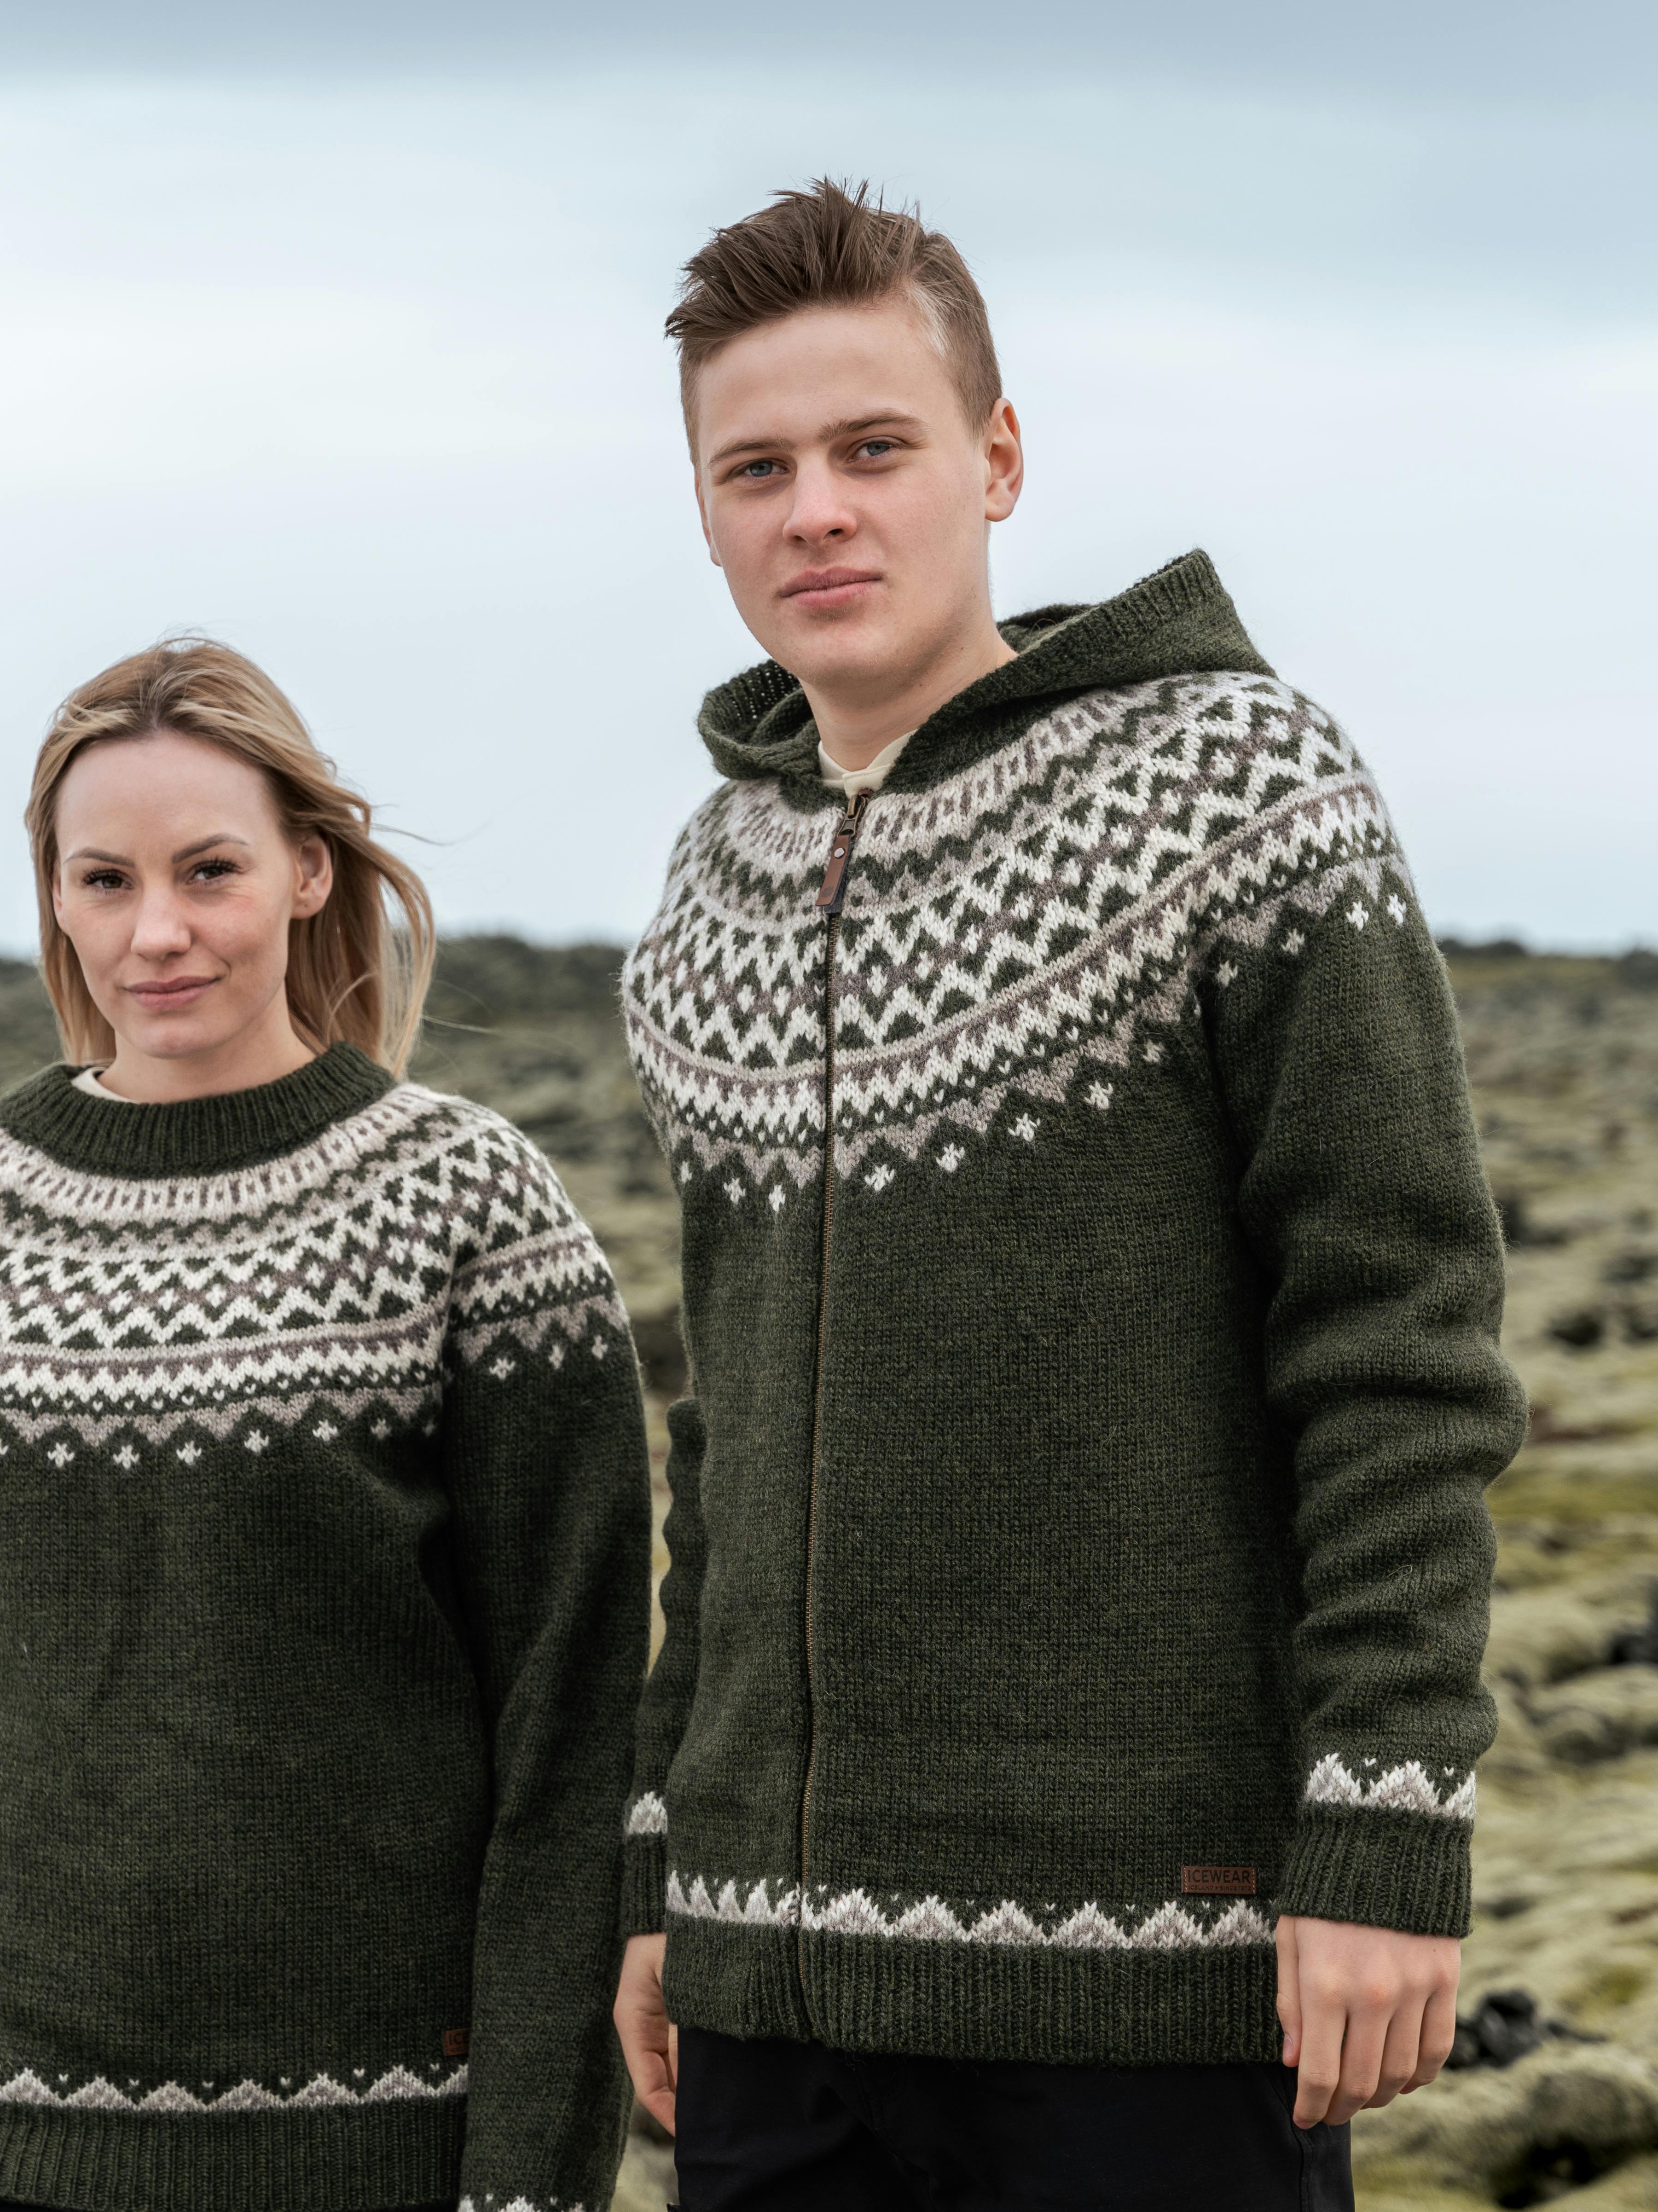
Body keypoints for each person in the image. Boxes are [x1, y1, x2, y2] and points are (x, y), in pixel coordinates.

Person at [609, 183, 1527, 2211]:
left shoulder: (1240, 787)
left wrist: (1380, 1823)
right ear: (699, 509)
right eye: (753, 469)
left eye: (874, 449)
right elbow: (723, 1427)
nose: (815, 512)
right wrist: (667, 1858)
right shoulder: (708, 882)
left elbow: (1397, 1339)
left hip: (1158, 1979)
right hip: (776, 2002)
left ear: (994, 459)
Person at [0, 639, 649, 2212]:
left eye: (208, 870)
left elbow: (573, 1735)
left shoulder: (472, 1205)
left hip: (384, 2147)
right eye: (105, 881)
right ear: (56, 898)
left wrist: (532, 2182)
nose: (155, 933)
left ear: (303, 869)